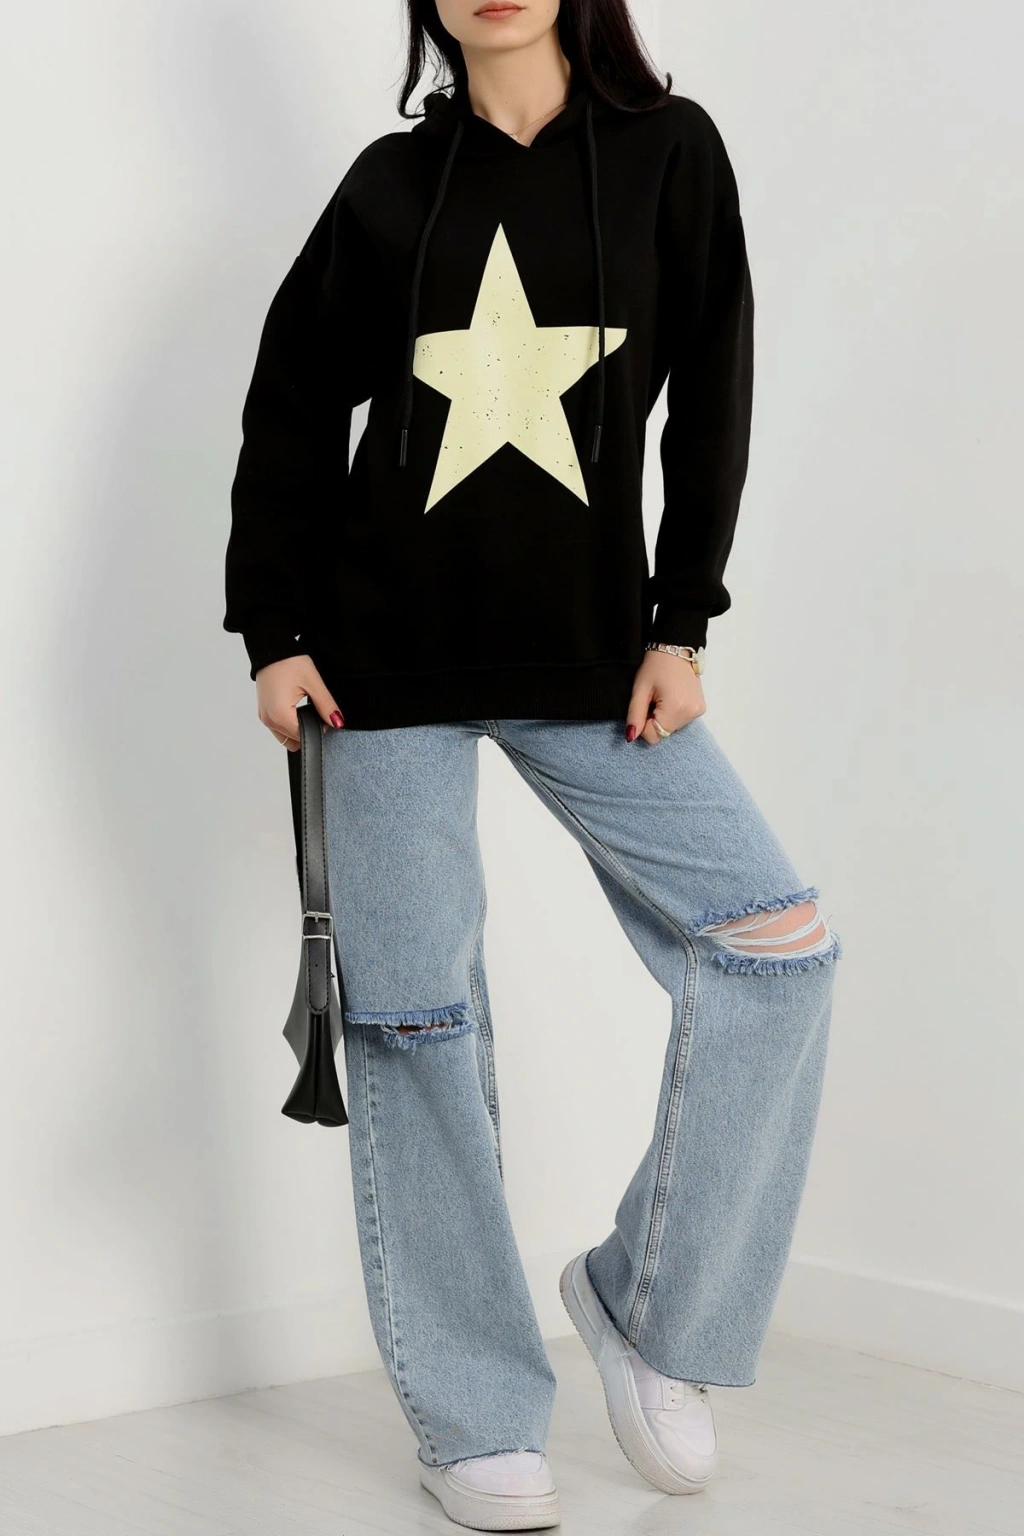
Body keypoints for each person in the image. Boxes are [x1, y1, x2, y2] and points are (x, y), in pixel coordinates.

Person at [223, 1, 841, 1528]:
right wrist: (274, 632)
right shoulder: (388, 187)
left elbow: (715, 394)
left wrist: (682, 620)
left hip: (597, 668)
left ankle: (647, 1310)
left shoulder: (669, 156)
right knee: (416, 1025)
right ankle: (475, 1413)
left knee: (776, 943)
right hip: (380, 676)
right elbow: (291, 404)